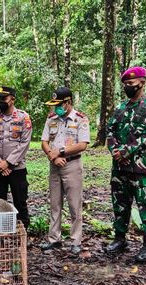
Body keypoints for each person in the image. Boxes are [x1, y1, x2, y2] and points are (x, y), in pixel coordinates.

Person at [105, 66, 146, 263]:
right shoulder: (121, 108)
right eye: (125, 85)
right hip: (119, 168)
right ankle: (120, 239)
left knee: (145, 205)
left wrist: (127, 151)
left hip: (141, 168)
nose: (128, 87)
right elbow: (110, 131)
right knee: (120, 205)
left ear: (142, 82)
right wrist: (115, 150)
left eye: (131, 84)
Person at [39, 87, 90, 254]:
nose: (56, 108)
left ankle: (75, 241)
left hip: (72, 165)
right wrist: (53, 157)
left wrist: (60, 152)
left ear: (68, 103)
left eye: (59, 105)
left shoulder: (80, 119)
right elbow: (44, 141)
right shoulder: (52, 119)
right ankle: (54, 239)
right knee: (55, 204)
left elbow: (82, 144)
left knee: (75, 205)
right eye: (54, 105)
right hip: (54, 165)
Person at [0, 86, 32, 228]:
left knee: (20, 202)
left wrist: (9, 163)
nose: (0, 101)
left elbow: (25, 142)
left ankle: (23, 234)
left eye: (3, 98)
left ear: (12, 99)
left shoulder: (23, 117)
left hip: (17, 169)